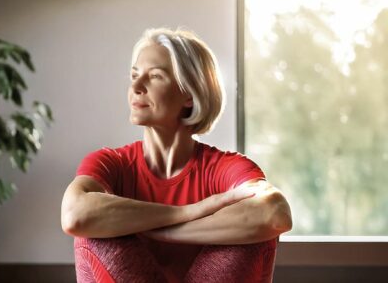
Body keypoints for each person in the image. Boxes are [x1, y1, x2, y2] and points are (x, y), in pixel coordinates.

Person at [61, 27, 292, 283]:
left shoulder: (225, 166)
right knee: (92, 226)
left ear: (189, 95)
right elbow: (74, 214)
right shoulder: (109, 162)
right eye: (135, 75)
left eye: (155, 76)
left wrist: (164, 232)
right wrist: (189, 211)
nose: (136, 86)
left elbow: (275, 212)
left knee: (258, 232)